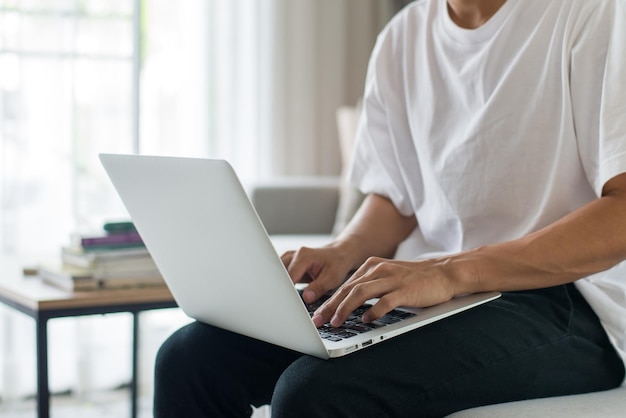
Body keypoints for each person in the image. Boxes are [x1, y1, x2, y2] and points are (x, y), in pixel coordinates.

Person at [153, 0, 626, 416]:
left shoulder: (592, 13)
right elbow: (395, 198)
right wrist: (344, 251)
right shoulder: (404, 36)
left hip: (569, 302)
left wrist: (450, 271)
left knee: (313, 394)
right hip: (442, 293)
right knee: (189, 359)